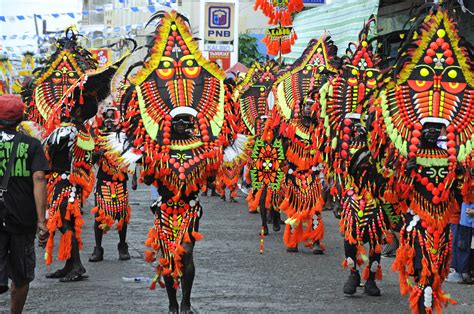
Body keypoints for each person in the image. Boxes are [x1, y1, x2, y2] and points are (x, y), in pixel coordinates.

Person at [0, 95, 49, 313]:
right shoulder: (32, 144)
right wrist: (42, 220)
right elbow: (39, 179)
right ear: (21, 117)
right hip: (23, 218)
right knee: (21, 275)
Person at [89, 107, 131, 262]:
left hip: (120, 181)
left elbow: (131, 159)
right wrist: (96, 154)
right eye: (107, 120)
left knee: (122, 216)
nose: (109, 123)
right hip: (103, 180)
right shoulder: (98, 138)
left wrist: (133, 178)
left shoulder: (123, 138)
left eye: (112, 120)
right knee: (99, 215)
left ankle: (122, 246)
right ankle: (98, 249)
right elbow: (90, 160)